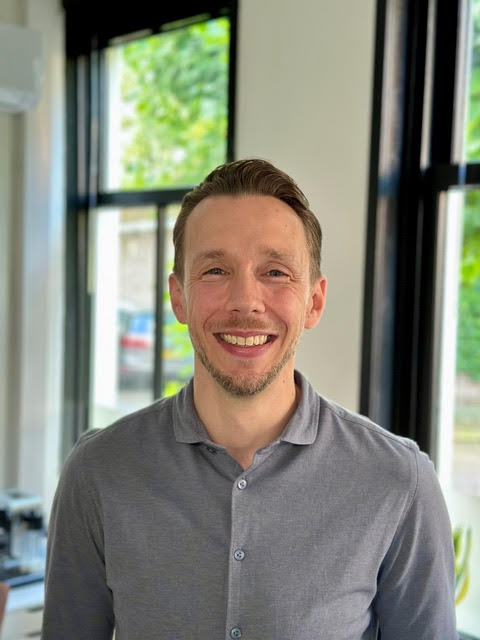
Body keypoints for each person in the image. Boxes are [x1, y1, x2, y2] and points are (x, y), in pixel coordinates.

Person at [42, 159, 457, 640]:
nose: (245, 300)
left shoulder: (399, 481)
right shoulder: (98, 472)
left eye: (275, 272)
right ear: (179, 297)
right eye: (215, 270)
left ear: (314, 302)